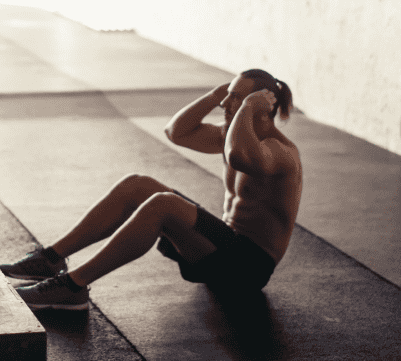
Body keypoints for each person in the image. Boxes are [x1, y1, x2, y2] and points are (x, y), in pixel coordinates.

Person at [0, 69, 302, 311]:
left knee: (163, 204)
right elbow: (176, 132)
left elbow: (240, 156)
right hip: (220, 250)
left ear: (263, 107)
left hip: (248, 268)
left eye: (233, 98)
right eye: (227, 96)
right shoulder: (232, 135)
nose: (225, 104)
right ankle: (50, 258)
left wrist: (247, 106)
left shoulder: (280, 152)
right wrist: (214, 95)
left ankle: (72, 287)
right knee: (138, 184)